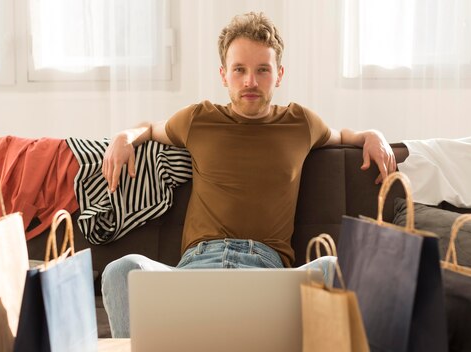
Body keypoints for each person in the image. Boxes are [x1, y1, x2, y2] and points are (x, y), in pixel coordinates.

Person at [100, 12, 396, 338]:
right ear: (224, 75)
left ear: (279, 74)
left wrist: (373, 134)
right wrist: (124, 137)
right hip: (195, 271)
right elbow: (150, 128)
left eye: (262, 70)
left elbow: (344, 136)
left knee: (334, 266)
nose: (250, 82)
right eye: (239, 69)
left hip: (268, 275)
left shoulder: (302, 123)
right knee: (121, 270)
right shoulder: (198, 119)